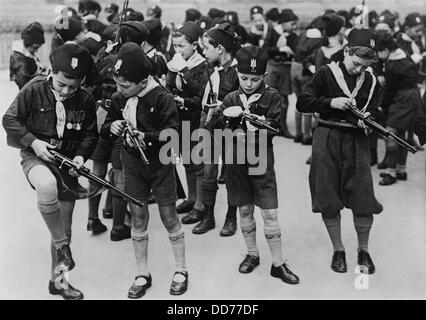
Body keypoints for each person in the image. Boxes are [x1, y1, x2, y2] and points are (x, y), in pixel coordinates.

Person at [3, 43, 99, 299]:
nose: (67, 91)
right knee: (46, 186)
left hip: (67, 163)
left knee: (64, 225)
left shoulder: (86, 99)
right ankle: (62, 246)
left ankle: (59, 282)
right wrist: (33, 142)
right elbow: (9, 119)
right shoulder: (33, 89)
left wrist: (80, 156)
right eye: (61, 84)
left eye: (74, 86)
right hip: (35, 158)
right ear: (52, 73)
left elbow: (90, 134)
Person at [101, 43, 188, 298]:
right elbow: (105, 129)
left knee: (169, 216)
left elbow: (172, 134)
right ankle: (142, 272)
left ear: (142, 81)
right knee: (138, 217)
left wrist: (146, 137)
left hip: (160, 166)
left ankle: (181, 269)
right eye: (117, 84)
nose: (119, 90)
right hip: (132, 165)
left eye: (124, 85)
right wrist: (114, 126)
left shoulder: (162, 97)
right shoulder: (120, 98)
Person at [296, 28, 383, 275]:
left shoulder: (372, 80)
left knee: (363, 197)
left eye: (364, 67)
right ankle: (338, 249)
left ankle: (363, 250)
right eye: (356, 64)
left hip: (357, 141)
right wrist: (329, 103)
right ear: (346, 51)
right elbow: (303, 101)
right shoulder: (326, 73)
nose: (359, 70)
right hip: (327, 137)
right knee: (327, 195)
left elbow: (377, 109)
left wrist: (370, 117)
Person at [216, 46, 300, 284]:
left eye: (255, 79)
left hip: (261, 159)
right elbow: (214, 128)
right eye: (244, 78)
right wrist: (225, 118)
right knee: (244, 209)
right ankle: (252, 254)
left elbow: (276, 129)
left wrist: (260, 123)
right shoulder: (231, 97)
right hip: (236, 161)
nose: (249, 83)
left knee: (270, 212)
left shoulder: (272, 96)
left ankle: (278, 263)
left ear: (263, 76)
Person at [87, 21, 150, 240]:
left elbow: (93, 84)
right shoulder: (137, 65)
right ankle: (118, 225)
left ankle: (93, 217)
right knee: (120, 172)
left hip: (99, 118)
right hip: (121, 120)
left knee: (97, 170)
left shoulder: (105, 59)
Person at [183, 23, 240, 236]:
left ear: (220, 49)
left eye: (207, 47)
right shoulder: (210, 69)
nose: (203, 51)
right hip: (209, 126)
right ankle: (208, 216)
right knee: (208, 173)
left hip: (231, 130)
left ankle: (231, 217)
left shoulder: (237, 72)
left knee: (233, 173)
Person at [166, 22, 207, 217]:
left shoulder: (202, 65)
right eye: (175, 46)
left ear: (195, 45)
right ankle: (191, 198)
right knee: (187, 161)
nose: (178, 50)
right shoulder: (176, 62)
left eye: (182, 46)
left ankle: (200, 204)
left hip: (195, 117)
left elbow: (201, 96)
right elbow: (169, 87)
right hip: (180, 117)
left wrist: (184, 71)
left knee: (197, 161)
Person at [375, 31, 422, 185]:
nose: (377, 55)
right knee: (401, 133)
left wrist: (382, 106)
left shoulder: (392, 65)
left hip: (403, 99)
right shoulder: (403, 54)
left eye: (378, 51)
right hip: (414, 96)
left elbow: (389, 91)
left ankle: (391, 173)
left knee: (391, 133)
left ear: (386, 50)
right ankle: (401, 170)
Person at [263, 9, 299, 139]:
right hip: (273, 66)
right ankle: (268, 126)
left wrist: (291, 50)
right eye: (292, 24)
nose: (294, 27)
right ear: (283, 23)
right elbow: (265, 50)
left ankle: (282, 127)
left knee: (284, 98)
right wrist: (280, 49)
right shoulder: (273, 33)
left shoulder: (293, 36)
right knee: (269, 96)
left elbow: (296, 50)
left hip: (285, 68)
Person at [10, 22, 46, 89]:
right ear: (29, 43)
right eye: (35, 48)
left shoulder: (28, 54)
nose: (36, 51)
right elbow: (24, 84)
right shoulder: (19, 59)